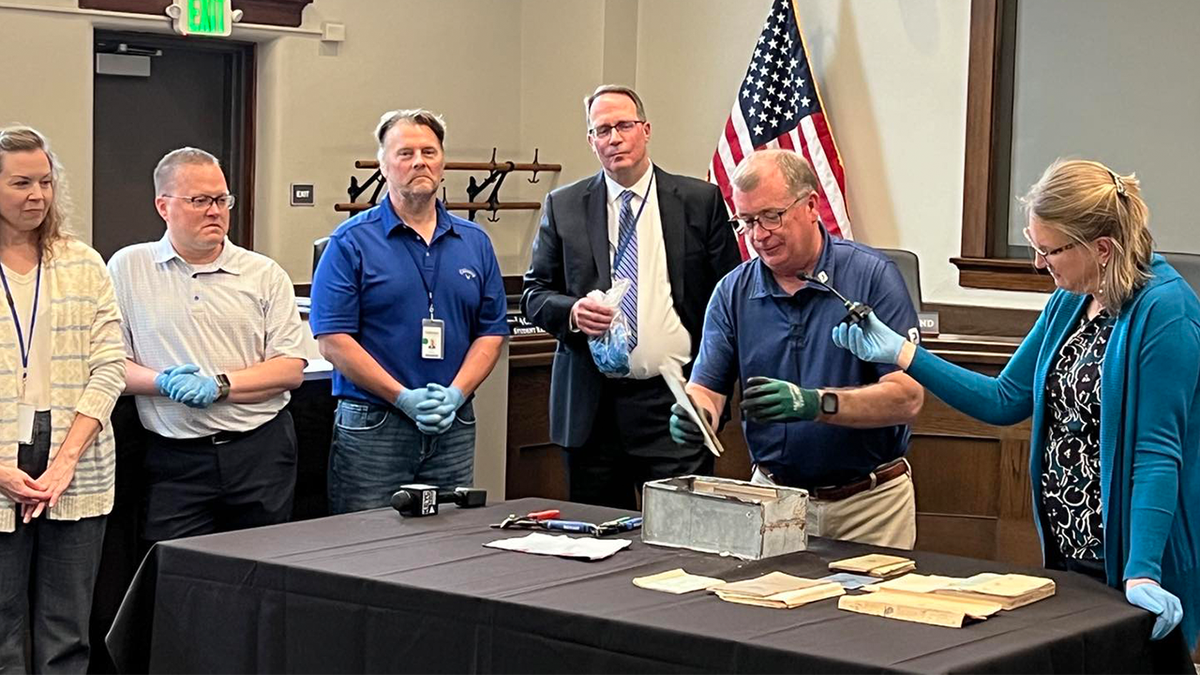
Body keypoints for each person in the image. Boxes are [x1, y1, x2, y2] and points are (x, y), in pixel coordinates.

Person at [833, 158, 1200, 647]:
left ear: (1102, 248)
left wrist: (1143, 573)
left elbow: (1156, 456)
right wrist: (904, 353)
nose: (1038, 263)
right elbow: (1004, 398)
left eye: (1049, 251)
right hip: (1073, 549)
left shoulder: (1166, 311)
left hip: (1138, 560)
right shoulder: (1072, 298)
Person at [671, 149, 923, 548]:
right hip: (773, 501)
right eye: (747, 221)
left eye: (771, 216)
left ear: (811, 206)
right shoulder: (732, 291)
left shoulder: (872, 277)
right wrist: (696, 413)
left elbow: (907, 398)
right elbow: (708, 388)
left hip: (868, 507)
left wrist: (815, 404)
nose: (759, 235)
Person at [521, 85, 742, 509]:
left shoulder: (698, 201)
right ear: (591, 141)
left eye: (624, 125)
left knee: (682, 537)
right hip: (593, 408)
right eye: (602, 130)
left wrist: (718, 391)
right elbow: (534, 293)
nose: (614, 138)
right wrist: (572, 312)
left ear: (646, 130)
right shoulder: (563, 205)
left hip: (675, 402)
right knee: (599, 543)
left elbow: (729, 299)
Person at [310, 109, 508, 514]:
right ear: (383, 166)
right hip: (374, 424)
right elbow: (333, 341)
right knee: (366, 545)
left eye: (428, 152)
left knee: (448, 546)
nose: (419, 161)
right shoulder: (350, 242)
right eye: (404, 153)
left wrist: (456, 394)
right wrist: (402, 398)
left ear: (442, 163)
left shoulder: (475, 242)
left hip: (453, 423)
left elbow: (491, 333)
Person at [108, 147, 307, 547]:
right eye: (200, 200)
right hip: (173, 460)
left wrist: (220, 385)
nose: (215, 210)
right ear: (163, 206)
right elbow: (111, 364)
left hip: (258, 450)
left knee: (262, 573)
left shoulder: (264, 274)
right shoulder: (128, 268)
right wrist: (162, 382)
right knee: (176, 580)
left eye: (221, 199)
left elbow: (290, 369)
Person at [0, 127, 125, 671]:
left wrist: (65, 461)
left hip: (77, 455)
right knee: (3, 627)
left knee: (67, 625)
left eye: (46, 182)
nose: (37, 195)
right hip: (3, 453)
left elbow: (110, 367)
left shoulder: (82, 262)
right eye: (21, 183)